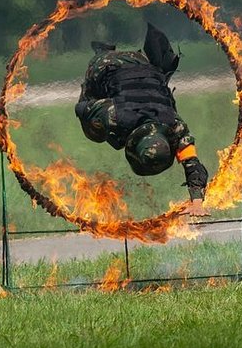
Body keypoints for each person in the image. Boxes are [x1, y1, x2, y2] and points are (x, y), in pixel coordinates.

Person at [75, 23, 209, 217]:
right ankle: (103, 50)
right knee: (94, 130)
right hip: (106, 65)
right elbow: (81, 109)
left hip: (143, 62)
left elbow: (192, 163)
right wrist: (95, 115)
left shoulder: (175, 125)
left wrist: (197, 202)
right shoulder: (114, 115)